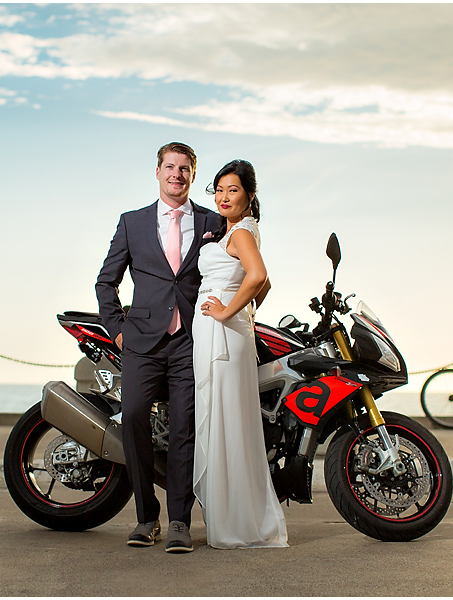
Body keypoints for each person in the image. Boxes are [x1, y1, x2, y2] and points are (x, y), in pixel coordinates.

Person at [96, 142, 222, 553]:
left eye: (185, 168)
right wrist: (118, 329)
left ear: (193, 175)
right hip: (142, 342)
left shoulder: (212, 223)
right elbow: (106, 281)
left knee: (185, 428)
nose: (177, 174)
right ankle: (146, 518)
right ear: (157, 172)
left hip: (191, 340)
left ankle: (180, 522)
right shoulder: (131, 222)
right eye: (170, 166)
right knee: (132, 417)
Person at [192, 159, 289, 549]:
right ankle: (234, 516)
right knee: (228, 420)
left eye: (232, 190)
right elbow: (263, 284)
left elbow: (259, 276)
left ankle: (236, 523)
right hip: (224, 332)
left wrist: (227, 312)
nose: (223, 197)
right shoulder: (236, 230)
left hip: (223, 335)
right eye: (218, 189)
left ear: (249, 195)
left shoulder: (243, 232)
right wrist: (244, 312)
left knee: (226, 420)